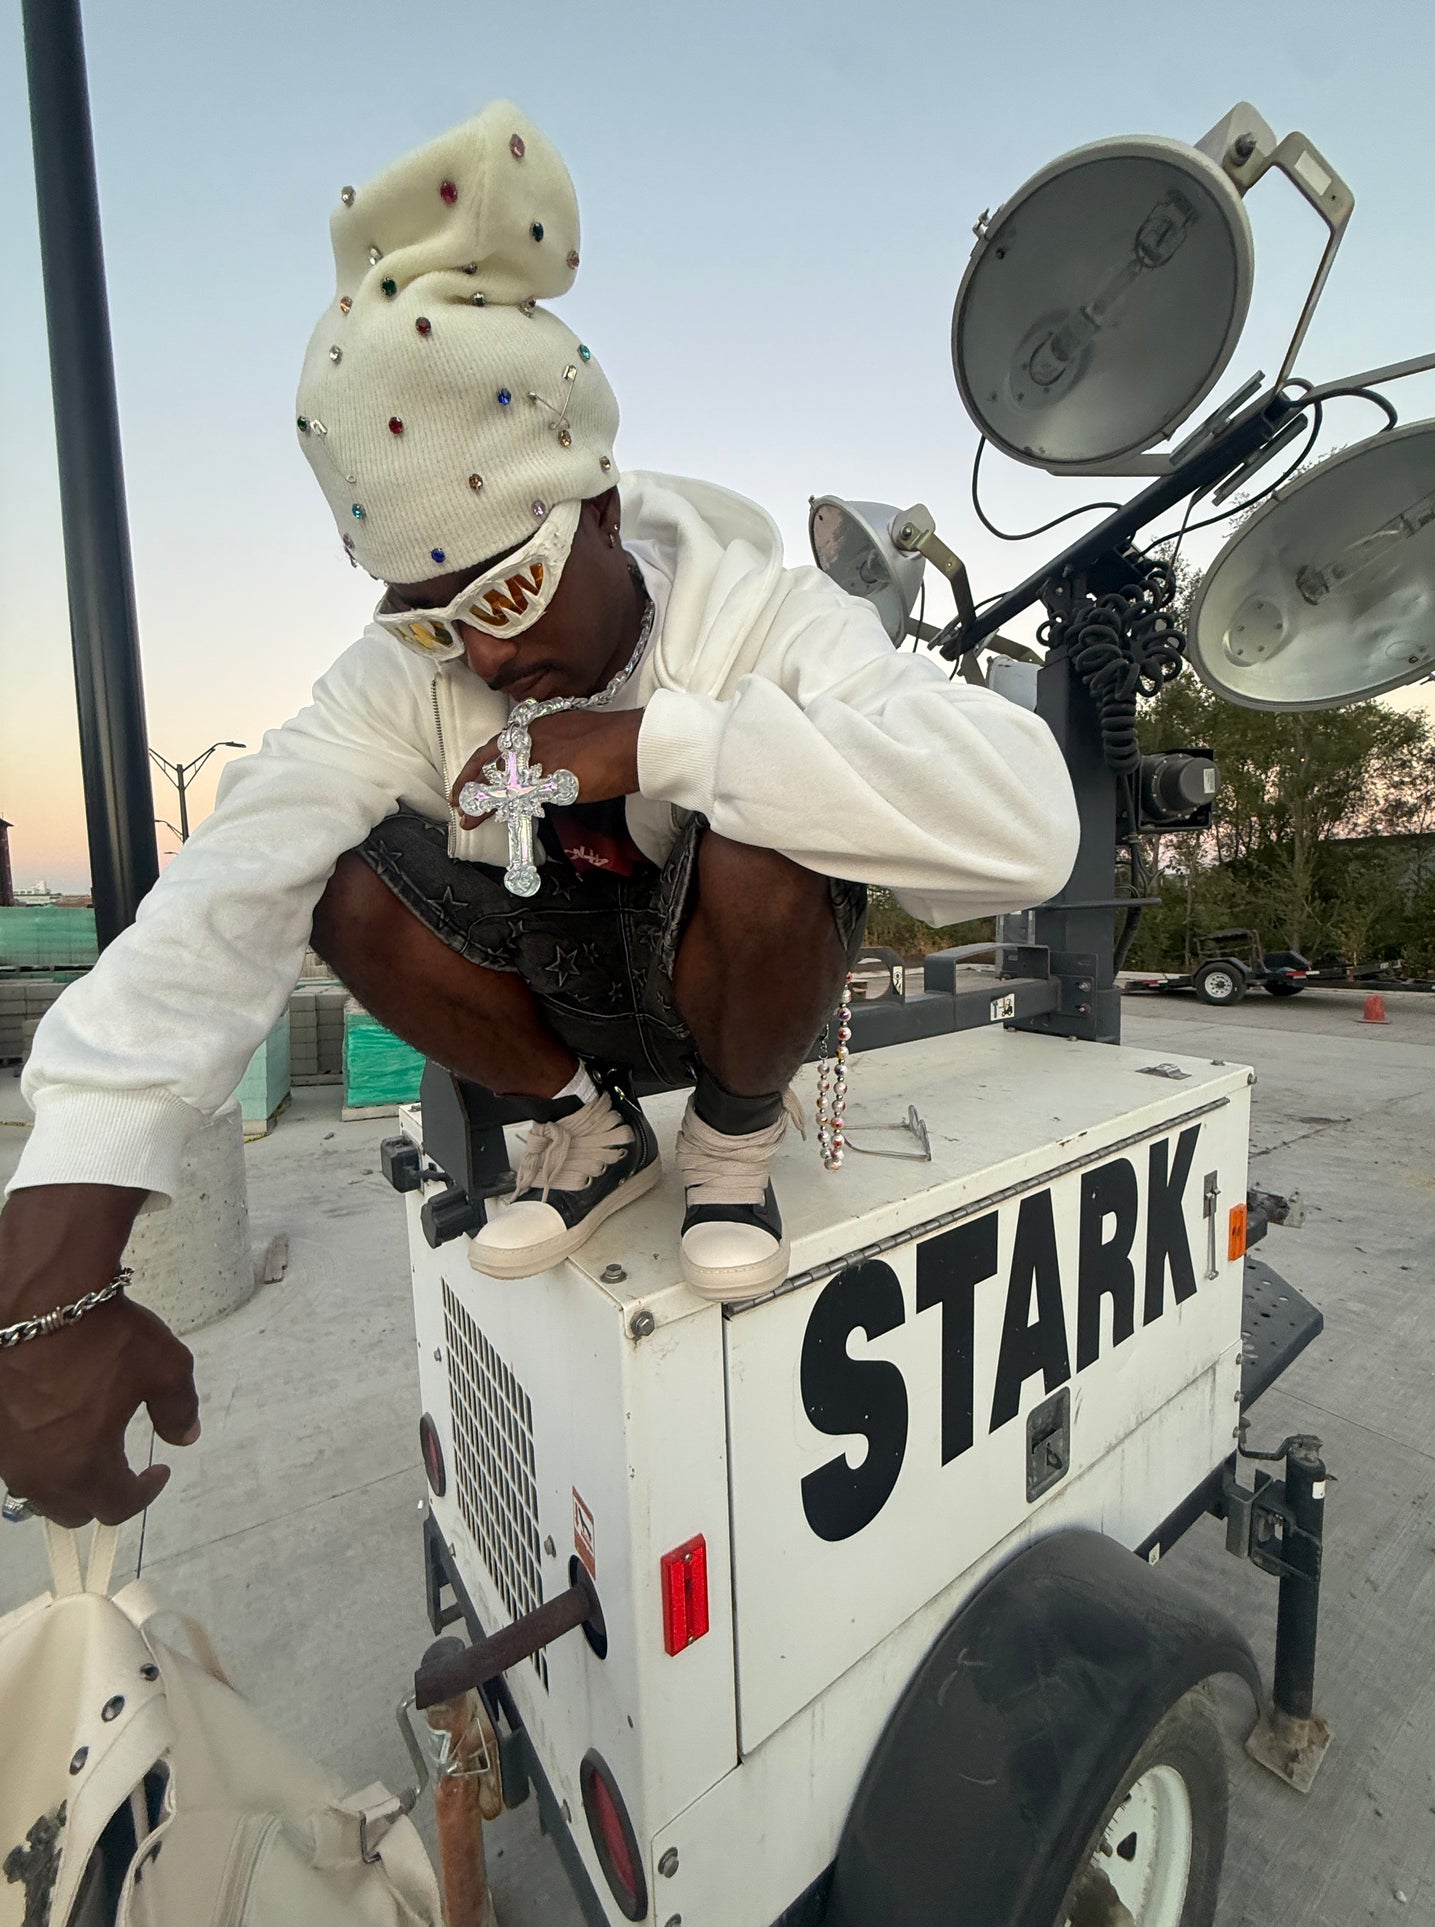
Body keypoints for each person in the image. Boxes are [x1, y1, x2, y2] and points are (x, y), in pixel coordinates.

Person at [0, 103, 1078, 1530]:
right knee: (330, 876)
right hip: (566, 1015)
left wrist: (664, 741)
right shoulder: (401, 682)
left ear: (604, 507)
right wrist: (51, 1259)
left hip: (729, 986)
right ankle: (587, 1137)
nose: (487, 658)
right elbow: (227, 883)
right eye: (433, 623)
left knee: (758, 815)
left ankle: (730, 1145)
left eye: (505, 595)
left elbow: (1028, 828)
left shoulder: (756, 607)